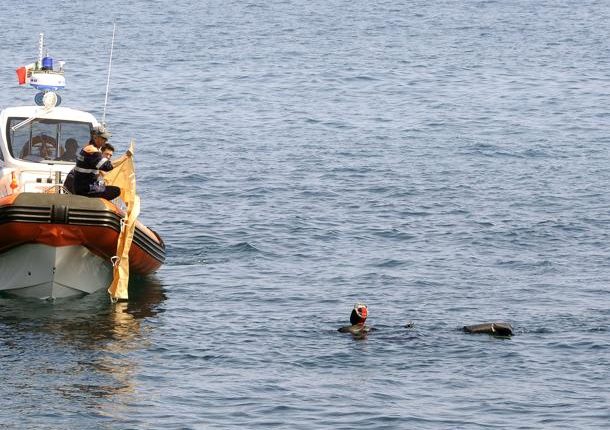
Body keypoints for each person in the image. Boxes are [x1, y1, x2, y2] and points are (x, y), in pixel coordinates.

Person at [72, 126, 131, 200]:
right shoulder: (92, 151)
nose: (106, 140)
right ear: (95, 137)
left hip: (80, 187)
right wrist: (126, 156)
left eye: (106, 138)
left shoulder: (86, 148)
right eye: (103, 138)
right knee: (116, 190)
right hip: (86, 189)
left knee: (105, 185)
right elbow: (107, 166)